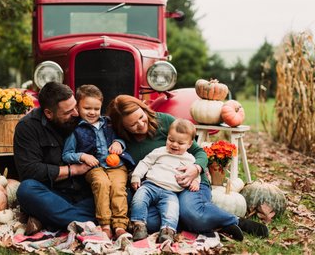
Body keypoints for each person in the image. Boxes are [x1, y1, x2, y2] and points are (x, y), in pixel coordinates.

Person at [107, 94, 269, 241]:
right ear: (123, 128)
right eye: (133, 125)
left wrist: (196, 169)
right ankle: (213, 223)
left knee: (190, 213)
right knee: (149, 222)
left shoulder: (165, 122)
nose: (141, 125)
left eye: (141, 117)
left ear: (143, 108)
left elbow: (199, 152)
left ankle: (234, 221)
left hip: (188, 183)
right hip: (158, 189)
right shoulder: (121, 140)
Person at [13, 82, 96, 233]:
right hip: (54, 195)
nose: (76, 114)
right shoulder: (27, 127)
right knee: (26, 190)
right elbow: (29, 171)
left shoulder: (83, 117)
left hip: (87, 194)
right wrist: (74, 170)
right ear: (49, 113)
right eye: (68, 112)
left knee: (125, 195)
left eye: (75, 107)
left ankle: (50, 219)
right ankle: (94, 220)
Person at [62, 84, 133, 239]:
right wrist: (82, 156)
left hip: (116, 165)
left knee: (118, 187)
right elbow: (66, 155)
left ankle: (120, 226)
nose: (92, 112)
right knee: (101, 184)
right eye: (87, 108)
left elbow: (121, 138)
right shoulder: (75, 130)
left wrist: (118, 144)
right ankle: (105, 225)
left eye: (96, 108)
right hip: (93, 168)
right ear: (78, 107)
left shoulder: (108, 123)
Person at [130, 118, 200, 243]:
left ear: (189, 144)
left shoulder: (189, 159)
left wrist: (195, 181)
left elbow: (194, 173)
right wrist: (136, 176)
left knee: (172, 210)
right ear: (167, 137)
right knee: (139, 199)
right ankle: (138, 225)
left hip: (171, 192)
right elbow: (145, 162)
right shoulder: (159, 151)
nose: (174, 145)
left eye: (180, 143)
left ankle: (167, 231)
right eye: (171, 140)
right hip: (150, 185)